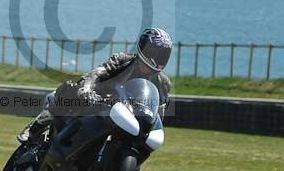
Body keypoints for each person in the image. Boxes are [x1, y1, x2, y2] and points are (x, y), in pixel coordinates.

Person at [17, 28, 173, 143]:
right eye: (155, 52)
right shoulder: (122, 60)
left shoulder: (163, 83)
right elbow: (96, 73)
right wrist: (87, 89)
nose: (157, 59)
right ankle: (36, 126)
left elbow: (159, 114)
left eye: (163, 55)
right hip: (97, 101)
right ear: (144, 48)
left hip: (126, 116)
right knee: (72, 89)